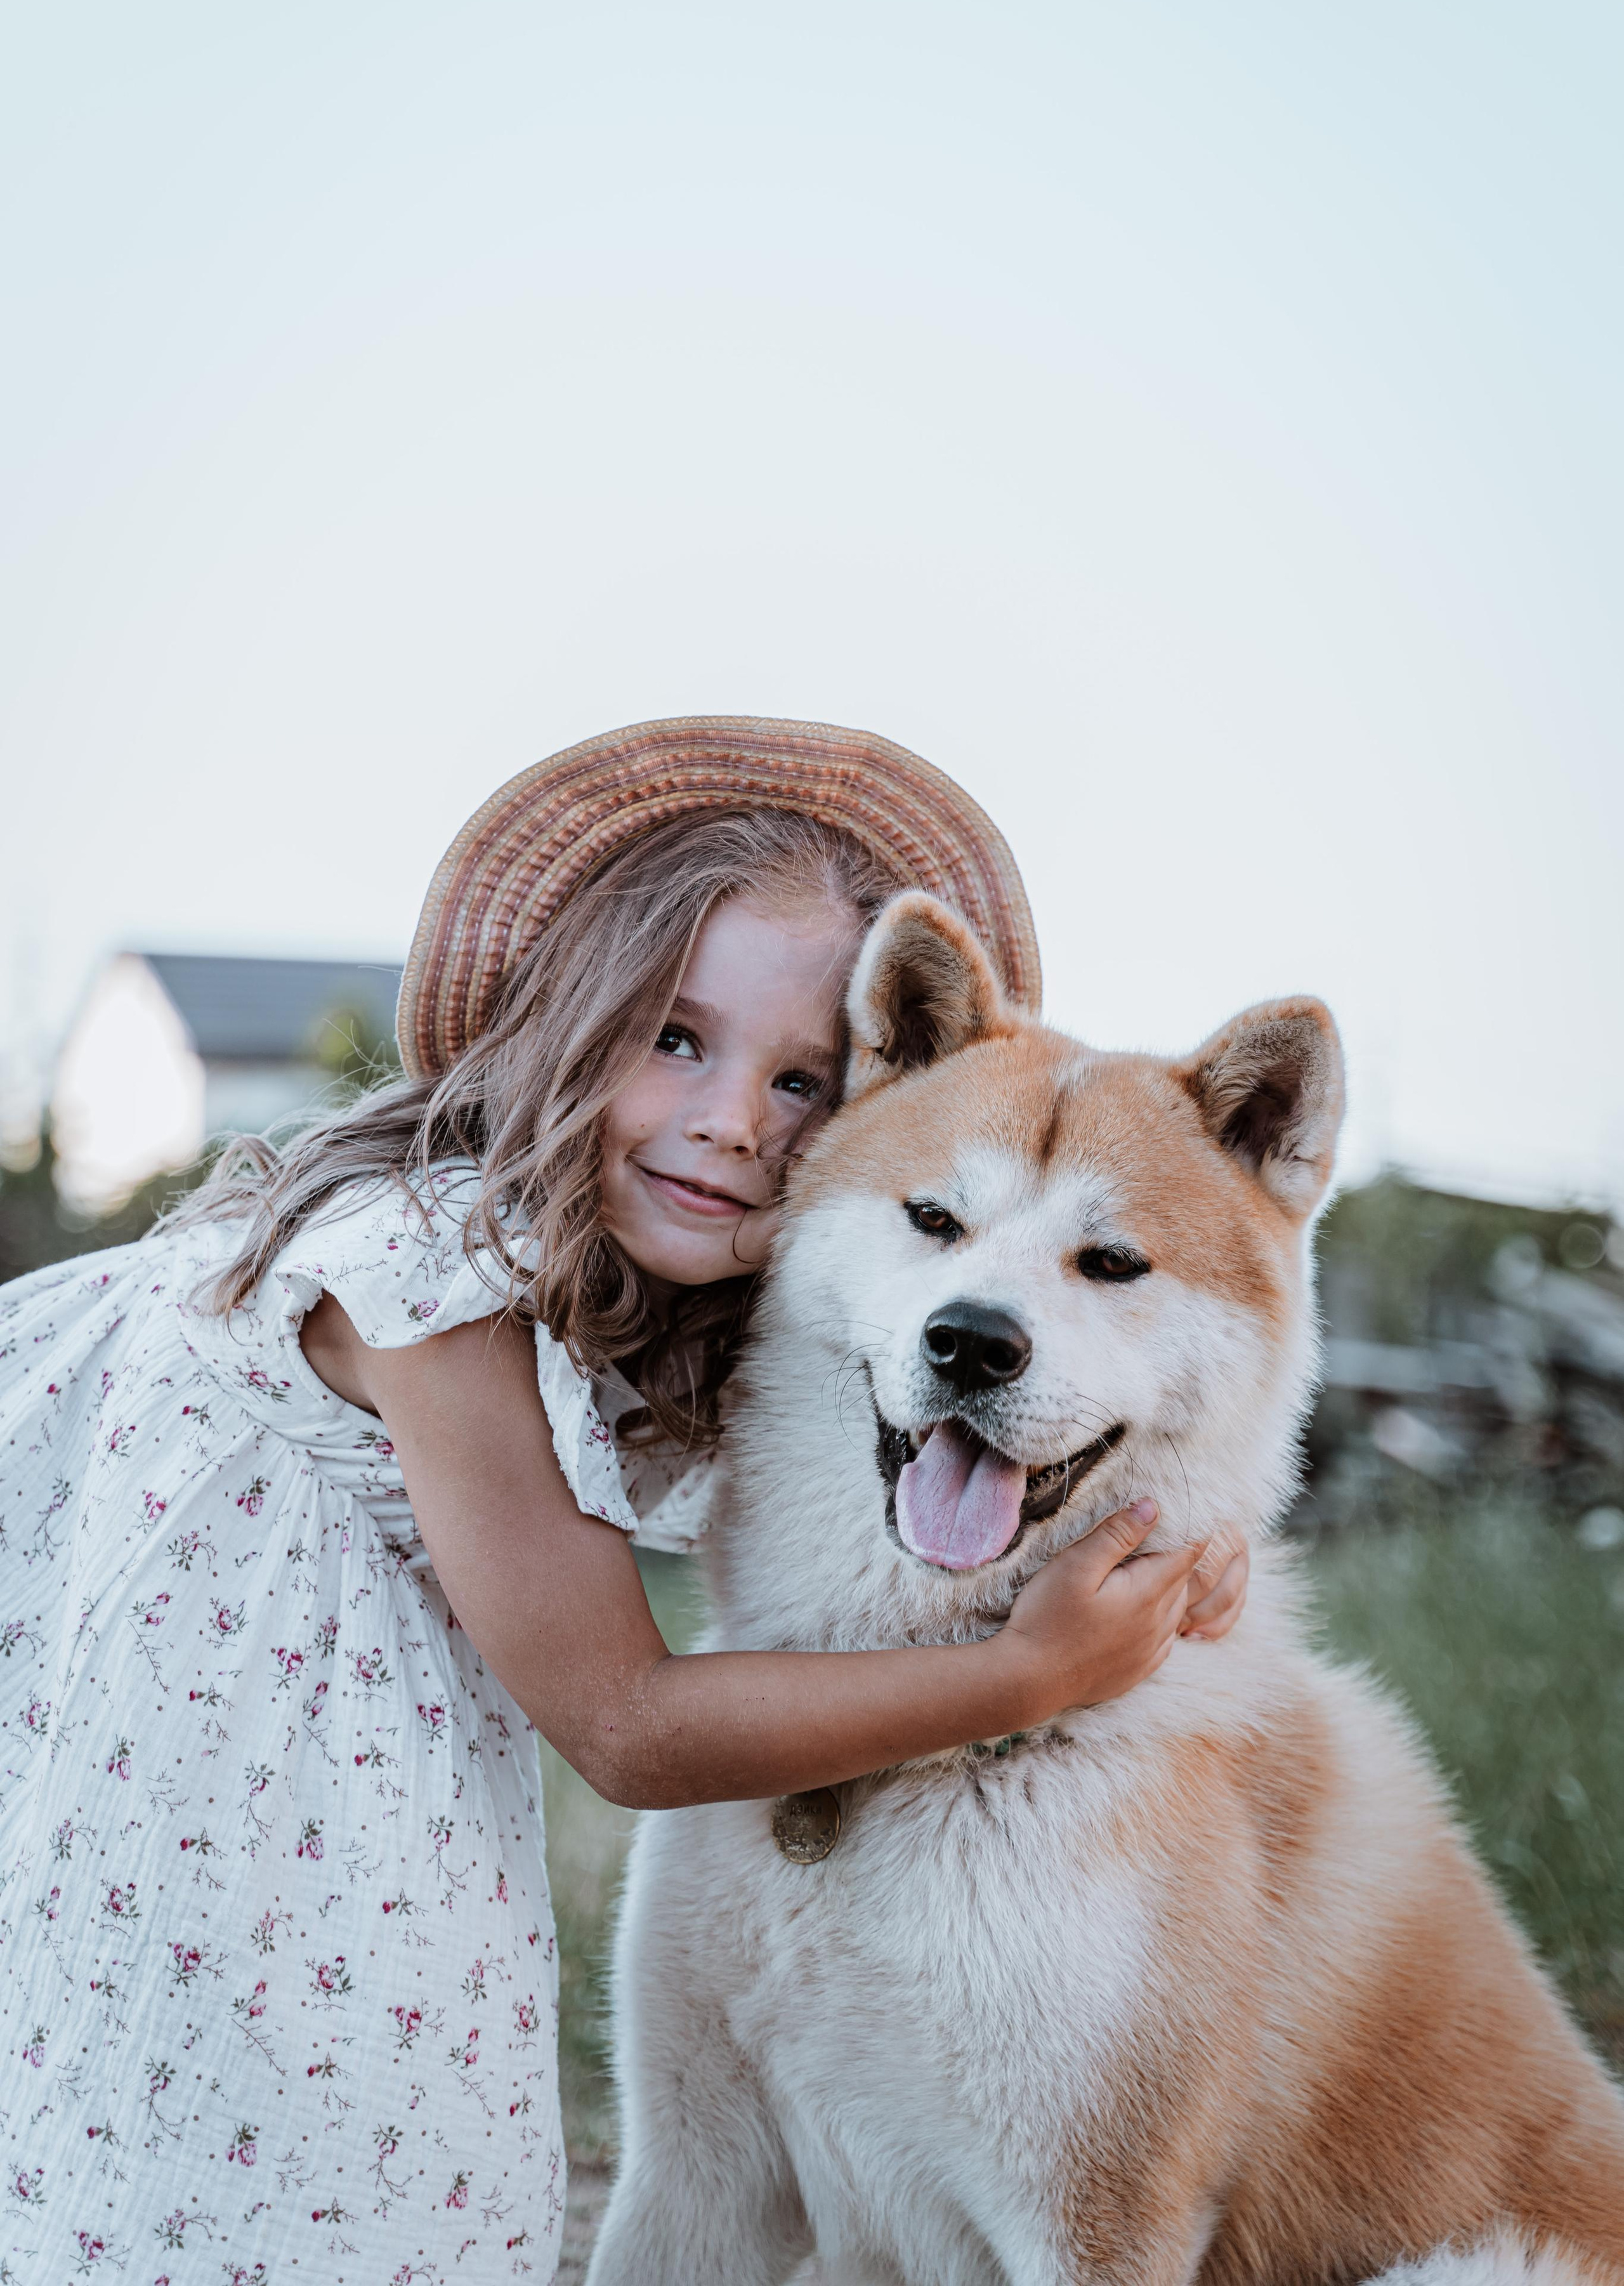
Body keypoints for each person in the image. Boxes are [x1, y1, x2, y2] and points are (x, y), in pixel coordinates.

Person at [0, 718, 1247, 2284]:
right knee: (303, 2202)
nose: (733, 1116)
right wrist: (1027, 1678)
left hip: (269, 1849)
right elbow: (629, 1725)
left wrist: (1177, 1542)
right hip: (242, 1883)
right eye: (675, 1039)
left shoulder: (582, 1300)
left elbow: (835, 1472)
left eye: (802, 1078)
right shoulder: (426, 1278)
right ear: (560, 1018)